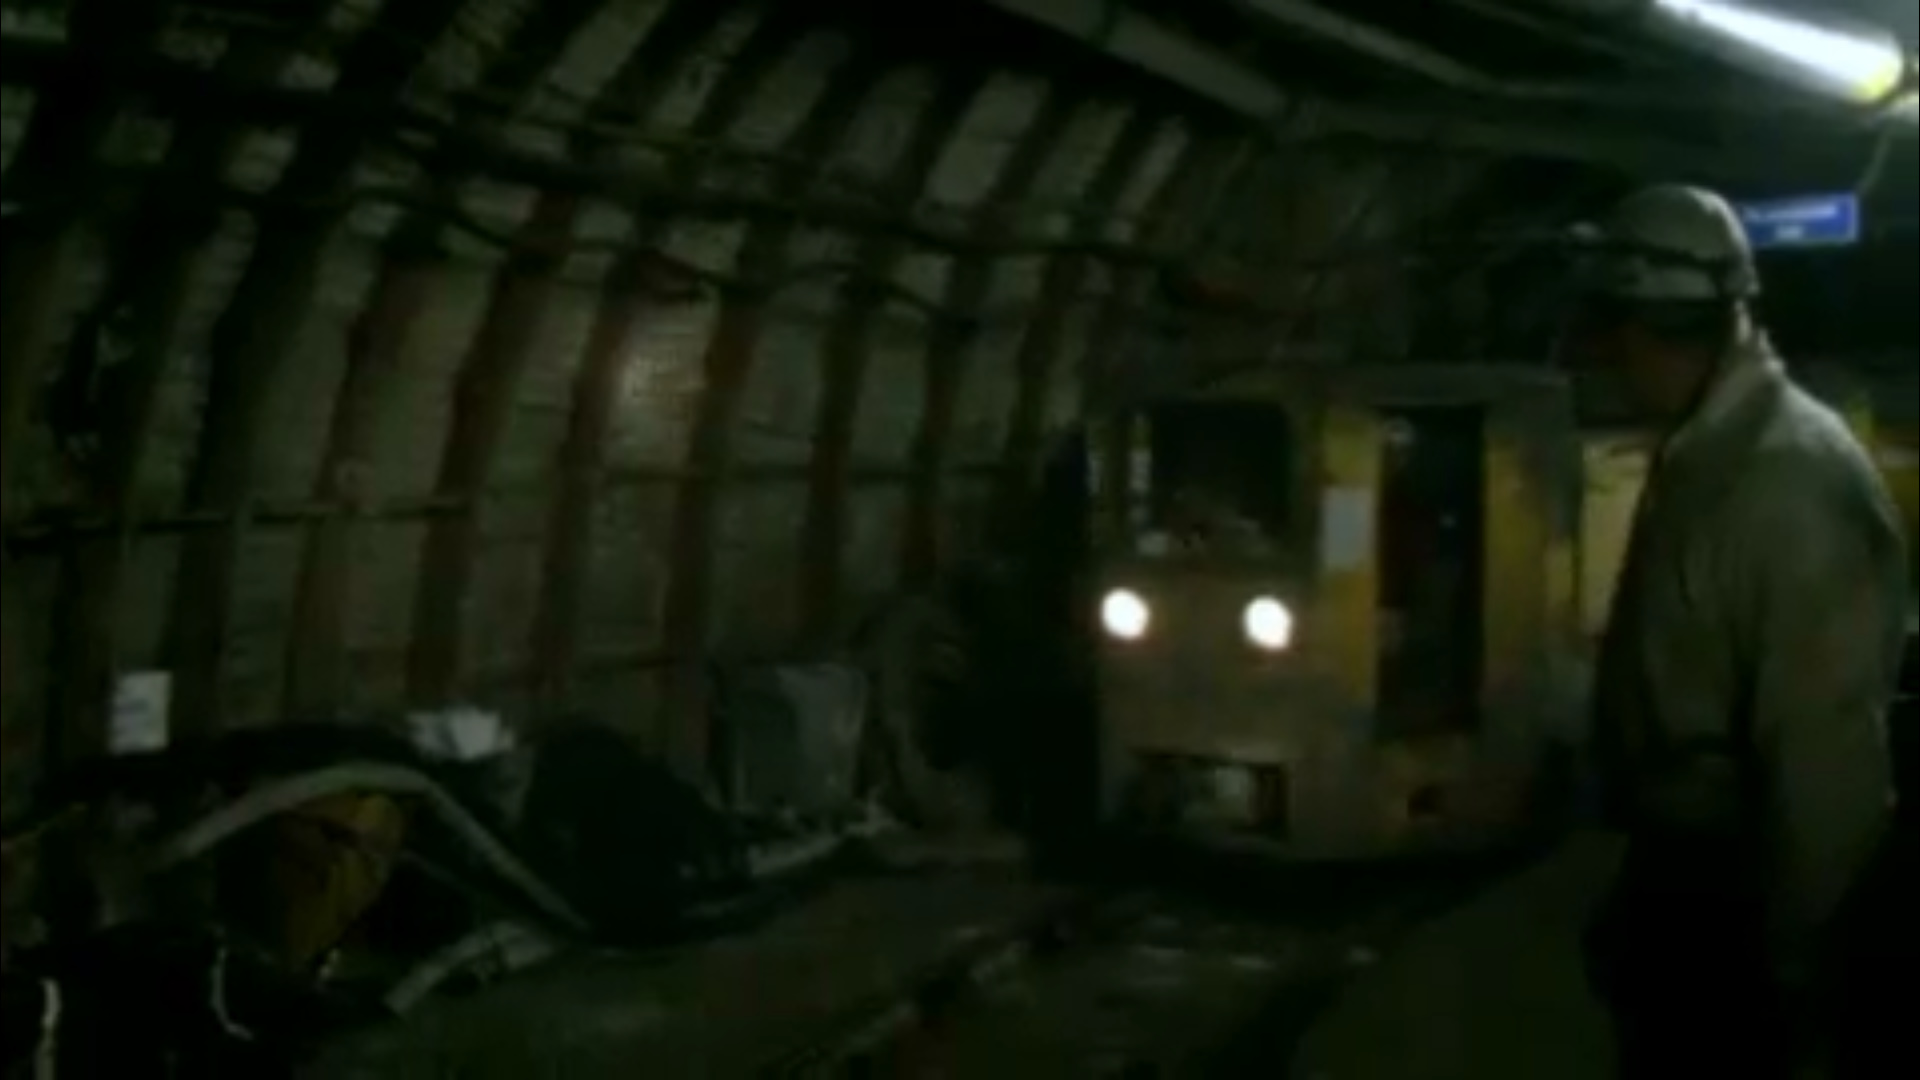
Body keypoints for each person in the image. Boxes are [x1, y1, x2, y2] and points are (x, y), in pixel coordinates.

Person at [1570, 184, 1908, 1078]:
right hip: (1689, 889)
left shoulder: (1784, 484)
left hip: (1738, 915)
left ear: (1639, 332)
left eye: (1608, 334)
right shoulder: (1710, 449)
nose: (1601, 360)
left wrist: (1804, 980)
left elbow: (1825, 765)